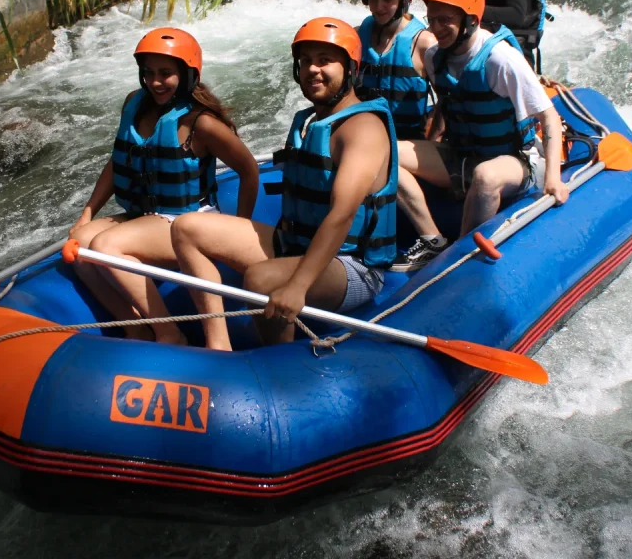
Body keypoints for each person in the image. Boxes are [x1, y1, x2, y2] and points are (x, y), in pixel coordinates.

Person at [171, 18, 397, 351]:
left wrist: (298, 286)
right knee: (187, 228)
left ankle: (281, 364)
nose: (312, 70)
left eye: (324, 60)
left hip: (353, 265)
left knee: (260, 279)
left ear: (350, 68)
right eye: (305, 62)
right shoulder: (310, 120)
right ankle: (219, 345)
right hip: (295, 242)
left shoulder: (363, 128)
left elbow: (342, 214)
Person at [68, 27, 259, 344]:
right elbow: (119, 161)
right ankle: (134, 325)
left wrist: (239, 227)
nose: (155, 82)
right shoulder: (134, 103)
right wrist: (87, 213)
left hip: (187, 221)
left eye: (166, 73)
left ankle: (169, 331)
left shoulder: (201, 123)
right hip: (146, 215)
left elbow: (249, 170)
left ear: (187, 74)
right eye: (149, 73)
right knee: (81, 244)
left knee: (105, 246)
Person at [393, 0, 568, 271]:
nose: (435, 28)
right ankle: (433, 240)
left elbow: (548, 116)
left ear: (471, 20)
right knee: (384, 152)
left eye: (445, 20)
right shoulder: (436, 57)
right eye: (431, 19)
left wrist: (553, 178)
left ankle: (457, 261)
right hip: (462, 156)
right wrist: (433, 140)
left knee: (486, 177)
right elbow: (448, 106)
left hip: (515, 160)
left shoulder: (500, 60)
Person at [353, 0, 438, 141]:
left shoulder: (424, 44)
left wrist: (432, 141)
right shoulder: (357, 36)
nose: (378, 6)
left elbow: (446, 104)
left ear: (405, 1)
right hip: (362, 137)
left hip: (409, 140)